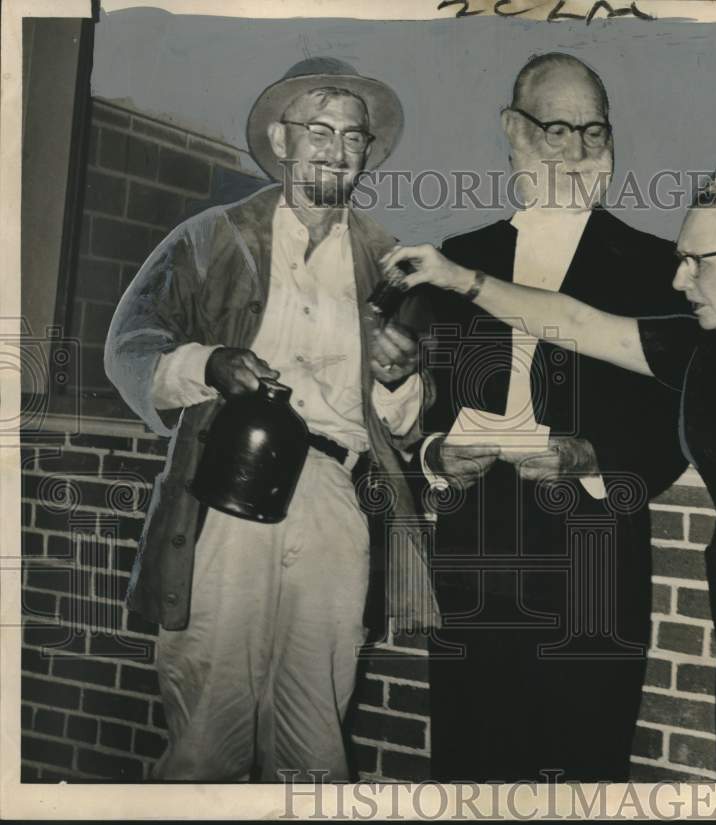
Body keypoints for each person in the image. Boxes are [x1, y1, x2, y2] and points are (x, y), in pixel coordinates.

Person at [384, 162, 716, 782]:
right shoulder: (701, 354)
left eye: (696, 261)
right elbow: (575, 321)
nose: (677, 277)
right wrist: (457, 277)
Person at [104, 58, 438, 782]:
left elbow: (406, 424)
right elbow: (129, 345)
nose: (336, 147)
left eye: (353, 135)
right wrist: (210, 361)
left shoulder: (392, 265)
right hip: (226, 489)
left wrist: (399, 375)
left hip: (332, 499)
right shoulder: (214, 236)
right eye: (318, 128)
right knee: (207, 734)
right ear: (282, 142)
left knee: (317, 737)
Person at [400, 53, 693, 782]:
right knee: (469, 777)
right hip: (473, 572)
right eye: (555, 128)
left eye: (594, 131)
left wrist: (594, 457)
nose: (576, 149)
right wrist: (436, 455)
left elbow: (679, 421)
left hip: (594, 574)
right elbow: (416, 411)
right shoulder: (453, 263)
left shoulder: (659, 270)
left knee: (582, 777)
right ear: (513, 130)